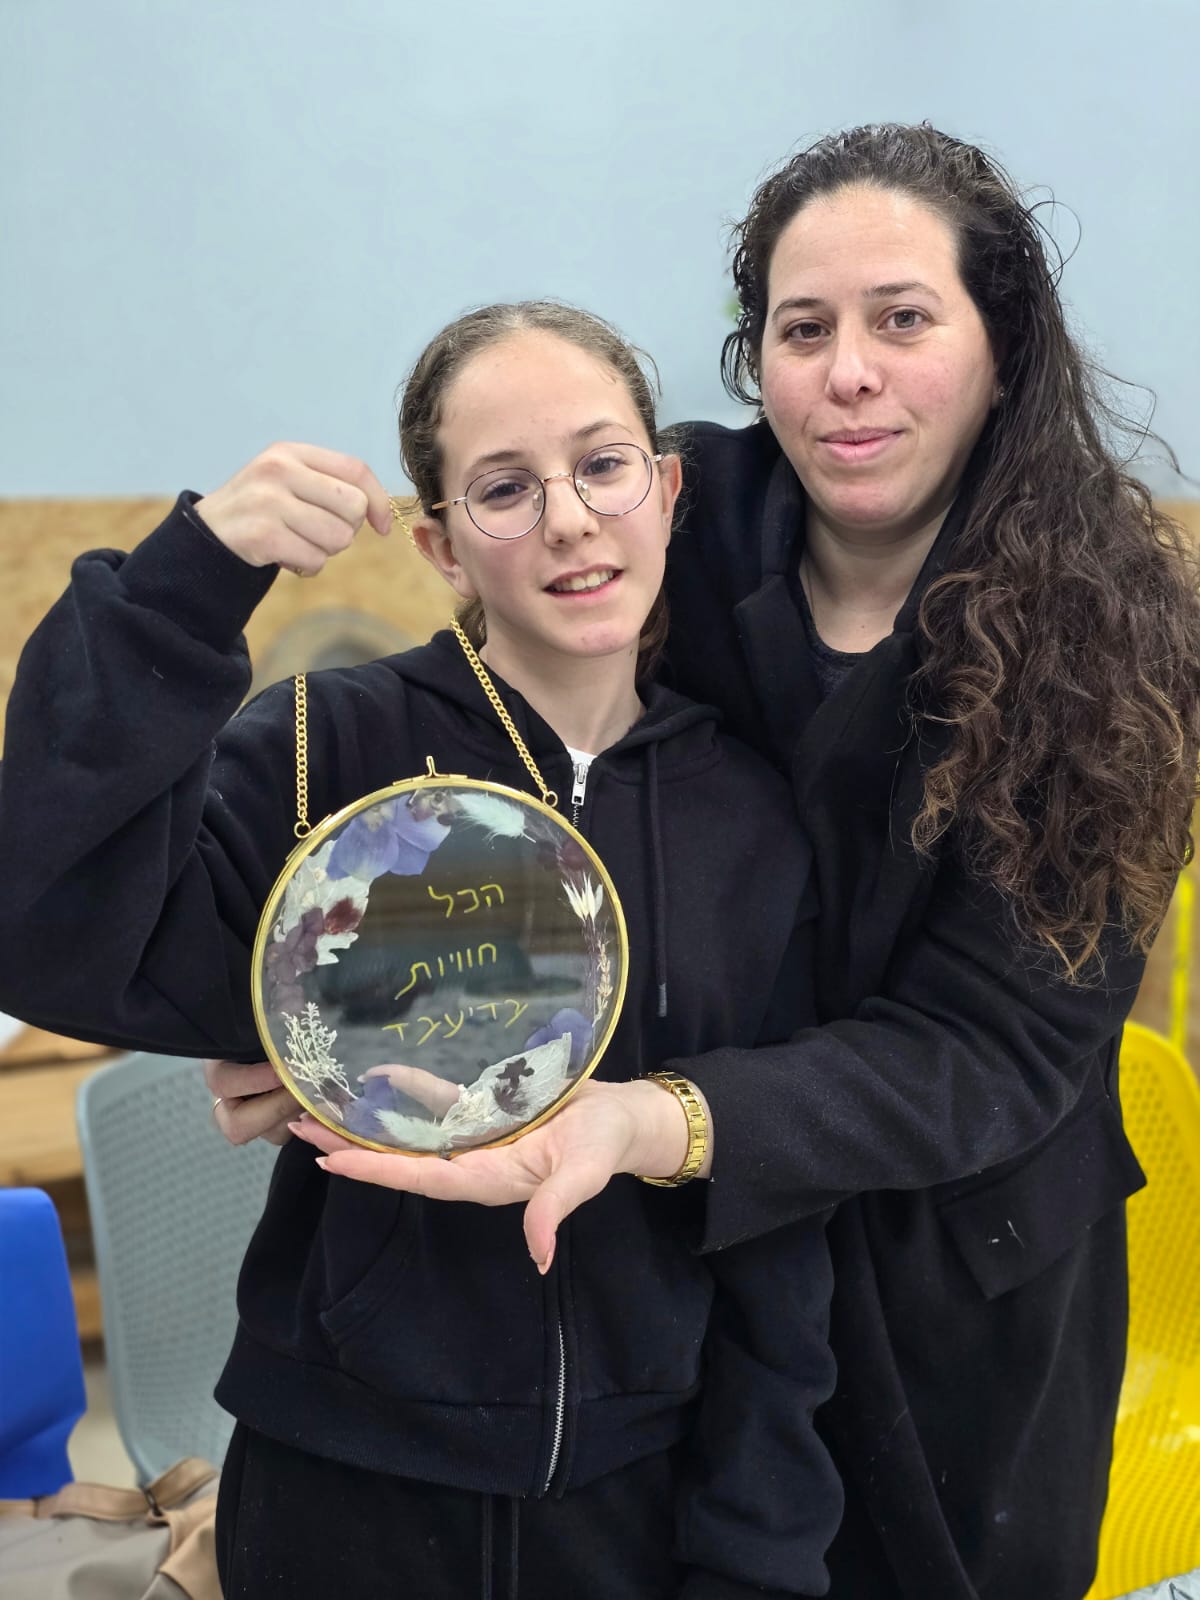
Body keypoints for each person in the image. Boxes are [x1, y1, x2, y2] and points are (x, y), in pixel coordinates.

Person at [268, 125, 1200, 1600]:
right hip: (675, 1285)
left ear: (1004, 345)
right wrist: (325, 1011)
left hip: (950, 1277)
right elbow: (499, 781)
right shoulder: (665, 518)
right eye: (802, 328)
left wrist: (656, 1119)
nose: (849, 373)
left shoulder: (1117, 645)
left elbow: (994, 1048)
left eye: (904, 319)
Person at [0, 302, 843, 1598]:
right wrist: (182, 588)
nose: (568, 519)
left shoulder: (751, 813)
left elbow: (778, 1211)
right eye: (504, 488)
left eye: (602, 464)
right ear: (442, 545)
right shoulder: (323, 746)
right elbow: (48, 931)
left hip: (640, 1497)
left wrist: (759, 1547)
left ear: (667, 492)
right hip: (344, 1483)